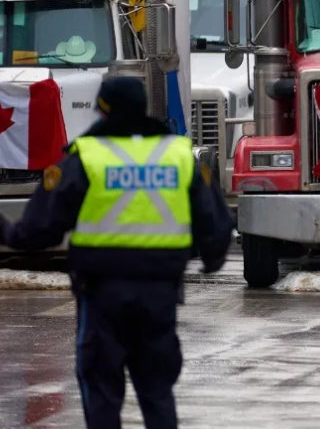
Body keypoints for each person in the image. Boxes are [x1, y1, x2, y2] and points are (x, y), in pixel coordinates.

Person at [0, 77, 234, 429]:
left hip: (102, 296)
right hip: (159, 294)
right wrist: (212, 260)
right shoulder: (177, 156)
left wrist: (7, 230)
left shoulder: (87, 156)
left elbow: (39, 230)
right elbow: (215, 224)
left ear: (103, 109)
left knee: (102, 391)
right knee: (157, 391)